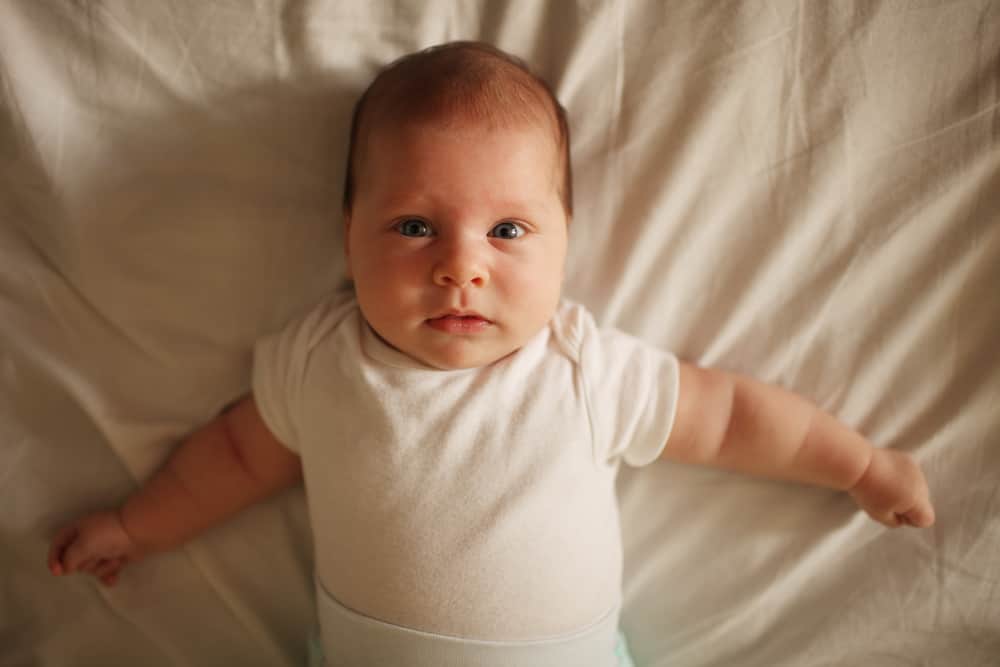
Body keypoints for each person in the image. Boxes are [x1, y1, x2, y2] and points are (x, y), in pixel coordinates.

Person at [47, 41, 935, 667]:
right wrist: (136, 524)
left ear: (565, 243)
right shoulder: (319, 361)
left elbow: (735, 417)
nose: (460, 266)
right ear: (347, 233)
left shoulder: (584, 368)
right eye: (414, 226)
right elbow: (233, 457)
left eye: (508, 230)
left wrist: (859, 464)